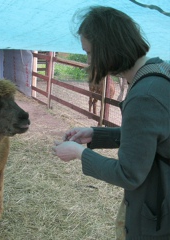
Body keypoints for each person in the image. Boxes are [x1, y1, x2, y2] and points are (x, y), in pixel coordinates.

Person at [52, 6, 170, 240]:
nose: (87, 61)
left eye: (89, 52)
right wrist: (97, 135)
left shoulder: (144, 95)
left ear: (107, 50)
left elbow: (129, 174)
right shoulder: (159, 70)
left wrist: (78, 153)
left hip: (158, 215)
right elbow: (151, 136)